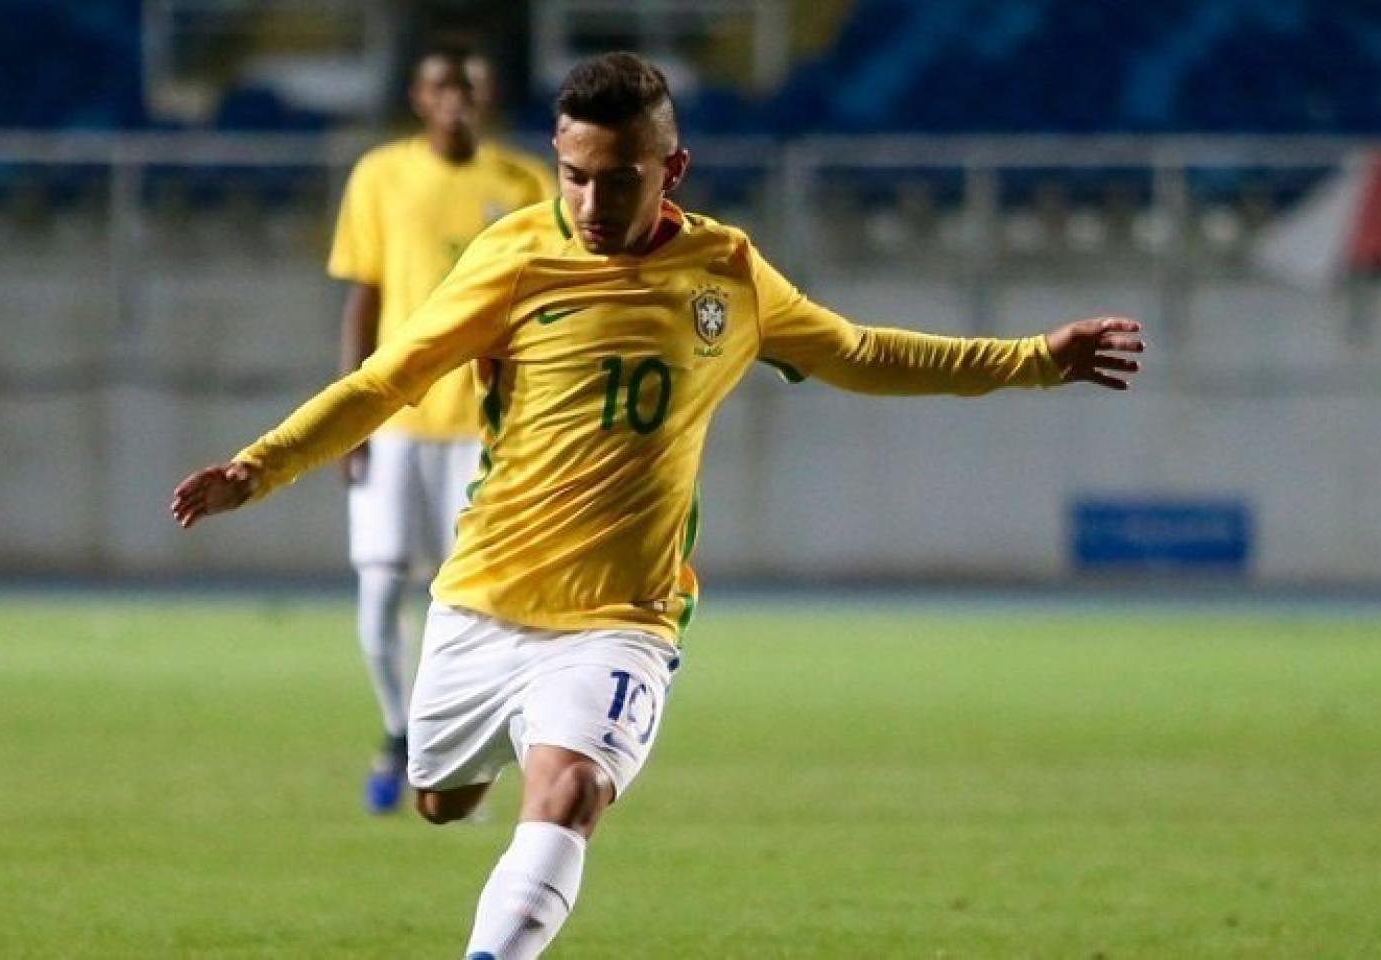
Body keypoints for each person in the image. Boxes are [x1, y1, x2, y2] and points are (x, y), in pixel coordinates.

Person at [173, 52, 1144, 960]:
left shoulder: (725, 275)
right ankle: (483, 760)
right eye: (573, 176)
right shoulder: (510, 258)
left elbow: (858, 352)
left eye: (618, 178)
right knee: (438, 800)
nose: (591, 202)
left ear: (670, 167)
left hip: (620, 616)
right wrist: (260, 466)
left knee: (568, 790)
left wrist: (1030, 361)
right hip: (482, 593)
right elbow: (387, 379)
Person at [327, 45, 554, 814]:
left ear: (485, 98)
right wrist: (348, 418)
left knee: (474, 602)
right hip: (396, 420)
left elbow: (547, 313)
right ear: (419, 99)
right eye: (440, 88)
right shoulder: (379, 176)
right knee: (380, 586)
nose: (455, 100)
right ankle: (398, 731)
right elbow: (362, 301)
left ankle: (463, 748)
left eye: (469, 87)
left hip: (486, 432)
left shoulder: (524, 185)